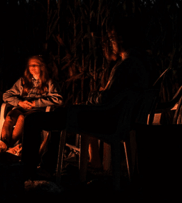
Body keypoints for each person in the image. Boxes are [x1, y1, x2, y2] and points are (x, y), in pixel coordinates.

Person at [21, 18, 153, 172]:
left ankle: (27, 170)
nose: (111, 43)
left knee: (32, 119)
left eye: (111, 38)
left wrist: (94, 96)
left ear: (121, 39)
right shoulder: (141, 64)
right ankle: (47, 165)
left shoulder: (127, 65)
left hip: (104, 120)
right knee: (58, 116)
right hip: (115, 119)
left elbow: (106, 99)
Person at [0, 56, 63, 151]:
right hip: (22, 107)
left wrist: (36, 103)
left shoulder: (49, 82)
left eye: (35, 65)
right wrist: (19, 102)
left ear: (42, 67)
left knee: (22, 118)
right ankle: (4, 142)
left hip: (37, 110)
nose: (32, 68)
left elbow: (58, 99)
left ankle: (8, 145)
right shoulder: (23, 81)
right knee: (10, 116)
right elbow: (6, 95)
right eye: (30, 66)